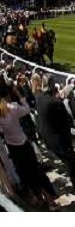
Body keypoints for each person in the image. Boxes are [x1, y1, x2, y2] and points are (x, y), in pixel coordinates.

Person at [0, 79, 57, 209]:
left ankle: (36, 198)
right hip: (23, 145)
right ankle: (50, 202)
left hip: (12, 148)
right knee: (36, 172)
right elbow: (26, 110)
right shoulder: (12, 107)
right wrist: (19, 95)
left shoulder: (7, 109)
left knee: (25, 174)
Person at [35, 74, 75, 199]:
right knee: (71, 164)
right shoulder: (55, 102)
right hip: (59, 140)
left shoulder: (39, 97)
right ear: (52, 85)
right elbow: (67, 122)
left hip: (48, 138)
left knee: (71, 164)